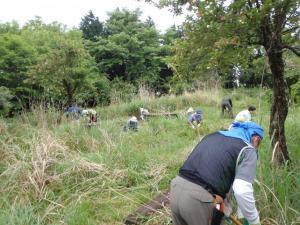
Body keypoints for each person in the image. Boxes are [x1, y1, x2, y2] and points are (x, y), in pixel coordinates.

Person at [170, 121, 264, 225]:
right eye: (259, 143)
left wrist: (225, 208)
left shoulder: (213, 136)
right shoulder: (248, 150)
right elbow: (242, 190)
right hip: (199, 201)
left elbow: (210, 173)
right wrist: (255, 221)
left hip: (175, 188)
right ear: (256, 139)